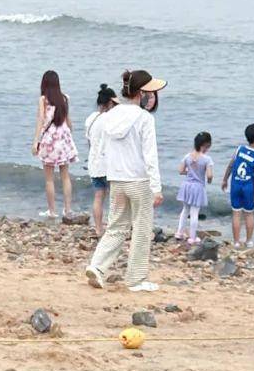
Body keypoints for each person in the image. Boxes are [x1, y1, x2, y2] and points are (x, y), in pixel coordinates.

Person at [84, 68, 165, 293]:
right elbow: (150, 155)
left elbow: (101, 149)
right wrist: (156, 188)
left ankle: (97, 266)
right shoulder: (144, 118)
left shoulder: (110, 116)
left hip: (116, 179)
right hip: (139, 181)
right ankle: (135, 279)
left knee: (116, 227)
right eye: (150, 92)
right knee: (141, 228)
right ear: (142, 93)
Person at [32, 69, 77, 219]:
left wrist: (35, 142)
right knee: (65, 176)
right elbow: (69, 121)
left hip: (50, 139)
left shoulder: (43, 100)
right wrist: (69, 133)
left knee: (49, 179)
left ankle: (52, 211)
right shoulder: (65, 98)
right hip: (63, 138)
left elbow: (40, 121)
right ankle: (67, 209)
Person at [221, 123, 254, 248]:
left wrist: (225, 179)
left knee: (236, 213)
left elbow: (230, 165)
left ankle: (236, 241)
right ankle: (249, 240)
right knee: (249, 214)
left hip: (235, 184)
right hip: (248, 187)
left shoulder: (239, 149)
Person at [83, 83, 116, 234]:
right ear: (110, 102)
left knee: (98, 197)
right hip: (108, 165)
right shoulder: (111, 118)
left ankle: (98, 228)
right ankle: (114, 228)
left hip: (94, 163)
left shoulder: (90, 119)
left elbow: (89, 142)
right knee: (115, 199)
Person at [175, 131, 213, 245]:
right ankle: (192, 237)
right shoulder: (207, 159)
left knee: (185, 210)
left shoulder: (187, 156)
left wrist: (189, 172)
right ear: (205, 145)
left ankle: (179, 233)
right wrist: (209, 180)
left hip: (187, 185)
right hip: (197, 187)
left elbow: (180, 170)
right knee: (195, 212)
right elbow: (210, 175)